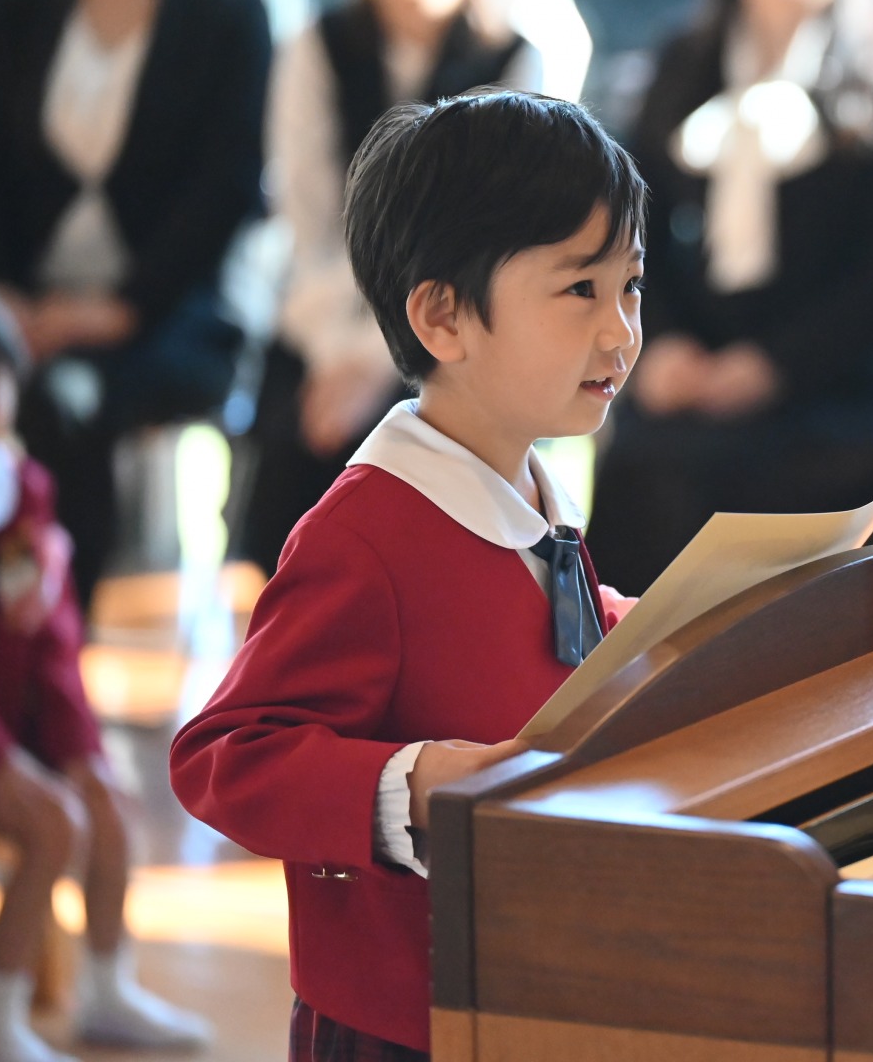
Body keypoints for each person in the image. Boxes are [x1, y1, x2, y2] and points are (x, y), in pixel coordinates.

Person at [169, 92, 645, 1059]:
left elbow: (538, 625)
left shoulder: (527, 491)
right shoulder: (366, 537)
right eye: (580, 291)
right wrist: (414, 780)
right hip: (400, 1019)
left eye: (631, 287)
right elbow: (226, 754)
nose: (621, 332)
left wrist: (663, 619)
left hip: (519, 985)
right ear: (442, 318)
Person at [585, 0, 873, 593]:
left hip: (842, 379)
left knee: (796, 470)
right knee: (645, 464)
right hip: (698, 364)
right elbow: (631, 230)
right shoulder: (681, 63)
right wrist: (663, 344)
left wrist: (770, 367)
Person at [239, 0, 545, 574]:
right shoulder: (317, 47)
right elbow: (309, 223)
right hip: (324, 327)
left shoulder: (514, 60)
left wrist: (382, 361)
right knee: (285, 478)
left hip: (458, 338)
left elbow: (489, 244)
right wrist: (338, 354)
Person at [0, 0, 271, 608]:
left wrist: (116, 310)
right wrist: (11, 303)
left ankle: (52, 642)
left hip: (168, 314)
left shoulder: (230, 16)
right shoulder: (17, 11)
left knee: (57, 403)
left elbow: (224, 191)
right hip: (22, 310)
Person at [0, 320, 213, 1062]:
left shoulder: (25, 489)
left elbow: (54, 647)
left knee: (108, 808)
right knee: (53, 824)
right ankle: (3, 1010)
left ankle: (106, 990)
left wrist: (78, 749)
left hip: (17, 725)